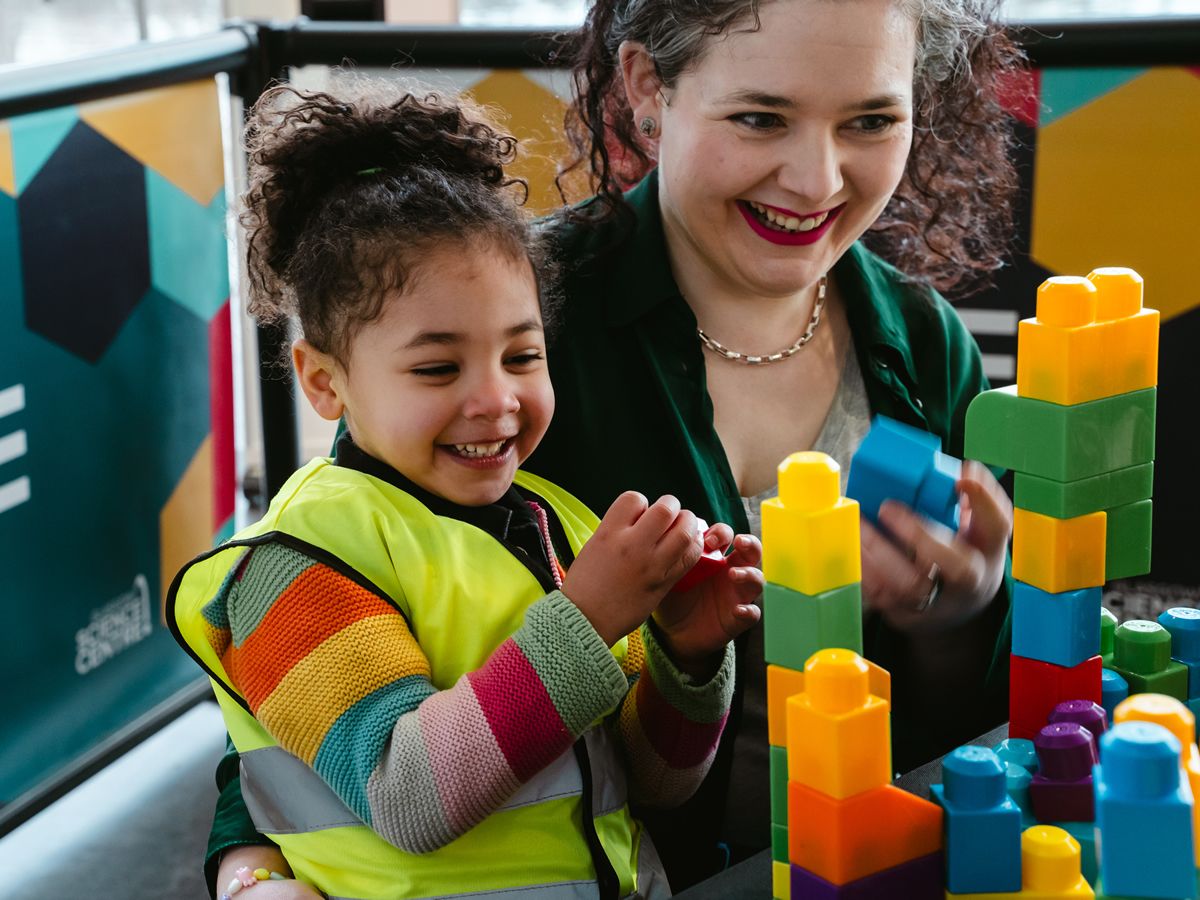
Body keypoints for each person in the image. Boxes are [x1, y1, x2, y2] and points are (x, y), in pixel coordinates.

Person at [205, 0, 1024, 891]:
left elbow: (980, 724)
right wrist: (247, 870)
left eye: (870, 120)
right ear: (646, 90)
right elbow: (314, 670)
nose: (817, 178)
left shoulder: (924, 343)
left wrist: (961, 612)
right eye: (760, 117)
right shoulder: (504, 331)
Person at [171, 82, 764, 900]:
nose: (497, 400)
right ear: (323, 381)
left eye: (522, 356)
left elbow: (651, 785)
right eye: (437, 368)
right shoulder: (293, 566)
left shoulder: (561, 523)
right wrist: (588, 619)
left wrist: (685, 659)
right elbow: (408, 795)